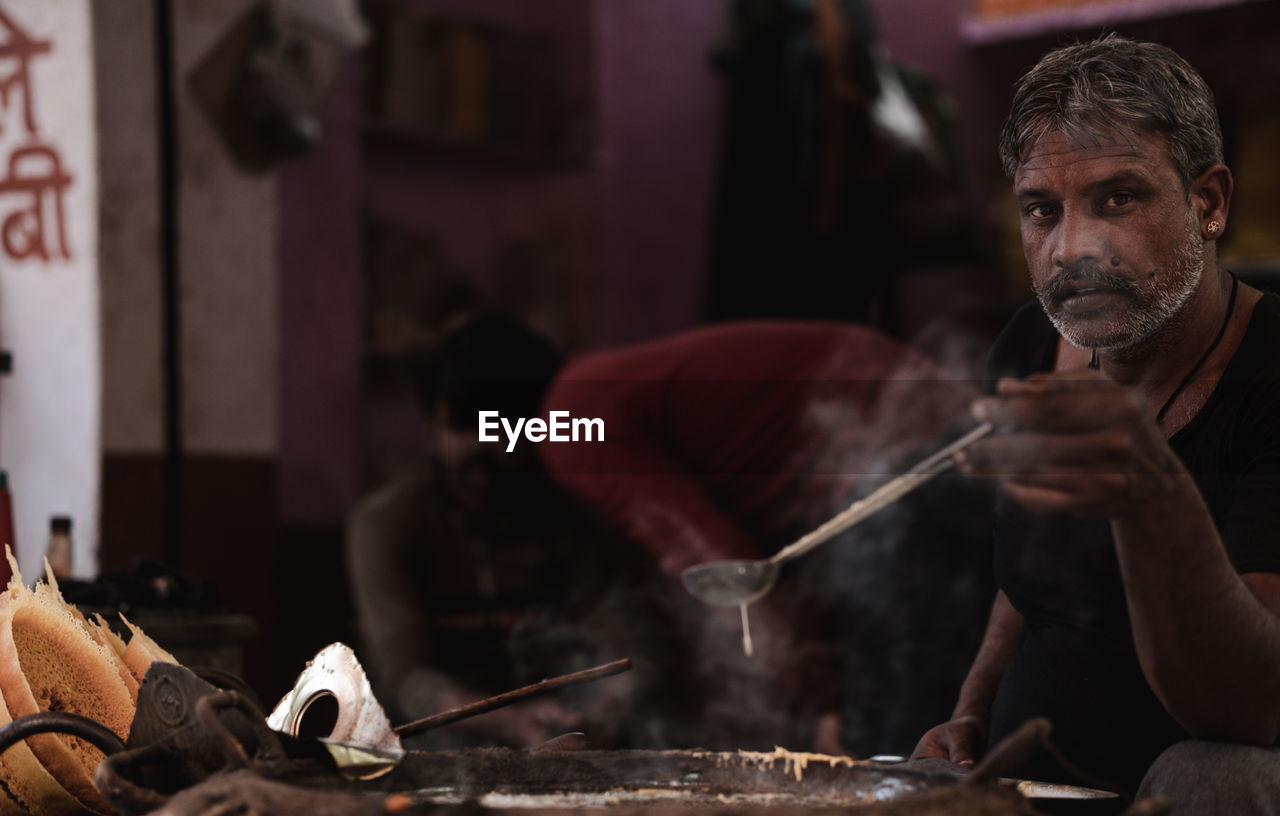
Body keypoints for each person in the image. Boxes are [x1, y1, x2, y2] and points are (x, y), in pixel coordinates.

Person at [909, 35, 1280, 816]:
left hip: (1203, 806)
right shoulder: (1028, 347)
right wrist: (970, 714)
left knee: (1213, 773)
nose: (1072, 250)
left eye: (1118, 199)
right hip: (1045, 794)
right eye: (1043, 208)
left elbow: (1252, 705)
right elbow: (1030, 576)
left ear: (1209, 201)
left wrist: (1148, 490)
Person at [539, 320, 992, 756]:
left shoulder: (569, 421)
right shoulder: (585, 390)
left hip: (916, 459)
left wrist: (821, 702)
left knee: (883, 740)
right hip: (920, 439)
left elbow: (717, 567)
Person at [346, 312, 709, 750]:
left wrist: (606, 708)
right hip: (436, 748)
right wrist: (507, 721)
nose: (482, 447)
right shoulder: (388, 523)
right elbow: (404, 674)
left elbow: (631, 638)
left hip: (567, 737)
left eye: (501, 428)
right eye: (462, 426)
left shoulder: (571, 516)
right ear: (431, 424)